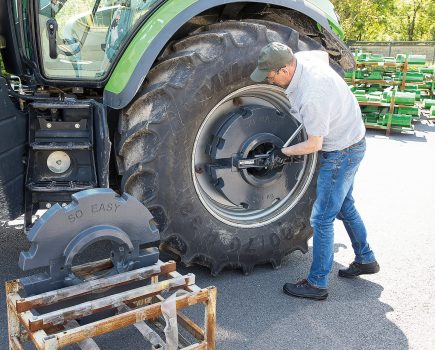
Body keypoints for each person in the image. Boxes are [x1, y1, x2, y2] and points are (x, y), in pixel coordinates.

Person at [250, 42, 379, 300]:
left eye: (271, 76)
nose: (269, 80)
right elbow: (321, 55)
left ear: (286, 68)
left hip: (341, 151)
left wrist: (281, 153)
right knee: (345, 206)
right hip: (353, 139)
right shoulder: (304, 59)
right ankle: (366, 259)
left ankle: (317, 283)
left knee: (321, 218)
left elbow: (314, 144)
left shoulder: (313, 96)